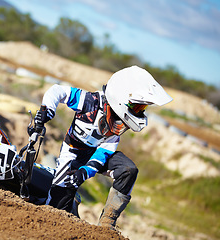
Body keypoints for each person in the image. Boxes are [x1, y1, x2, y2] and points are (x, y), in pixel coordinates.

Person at [34, 65, 172, 230]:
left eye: (142, 109)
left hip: (96, 155)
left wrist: (85, 172)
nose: (139, 112)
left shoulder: (119, 121)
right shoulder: (91, 101)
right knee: (56, 209)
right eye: (137, 107)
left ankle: (107, 224)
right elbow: (57, 91)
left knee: (128, 170)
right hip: (72, 154)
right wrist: (46, 110)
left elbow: (104, 152)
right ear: (122, 96)